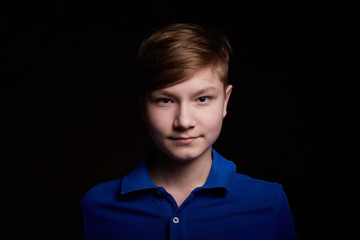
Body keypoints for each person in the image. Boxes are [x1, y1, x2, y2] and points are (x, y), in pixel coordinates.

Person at [79, 23, 297, 239]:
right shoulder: (98, 206)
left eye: (202, 99)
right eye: (165, 100)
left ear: (225, 101)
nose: (184, 121)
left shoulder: (268, 202)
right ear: (142, 105)